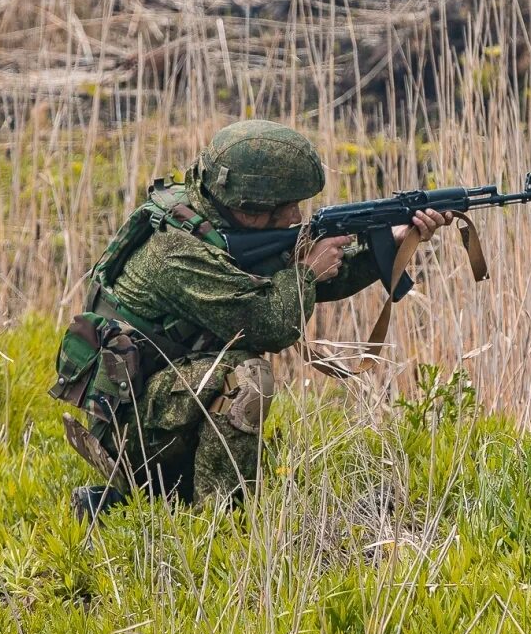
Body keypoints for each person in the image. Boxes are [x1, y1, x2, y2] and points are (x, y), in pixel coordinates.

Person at [60, 120, 452, 518]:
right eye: (287, 208)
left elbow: (300, 280)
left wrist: (389, 244)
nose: (297, 216)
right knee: (247, 375)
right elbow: (272, 323)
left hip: (161, 401)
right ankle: (218, 517)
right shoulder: (180, 253)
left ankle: (163, 495)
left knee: (238, 372)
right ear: (249, 210)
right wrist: (306, 273)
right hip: (132, 430)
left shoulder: (213, 219)